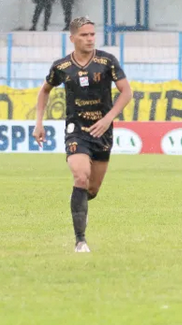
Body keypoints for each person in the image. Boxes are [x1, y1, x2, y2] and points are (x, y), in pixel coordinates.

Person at [33, 17, 133, 252]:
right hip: (76, 130)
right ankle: (80, 241)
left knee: (92, 189)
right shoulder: (61, 67)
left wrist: (107, 119)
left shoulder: (107, 61)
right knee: (80, 176)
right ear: (73, 38)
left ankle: (79, 205)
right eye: (84, 35)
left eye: (92, 34)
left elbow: (127, 92)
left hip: (103, 131)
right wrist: (39, 123)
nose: (90, 39)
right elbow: (44, 90)